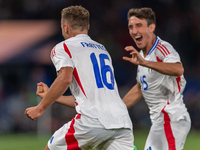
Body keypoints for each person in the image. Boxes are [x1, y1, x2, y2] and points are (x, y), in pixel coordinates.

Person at [25, 5, 135, 150]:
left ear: (65, 27)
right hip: (122, 121)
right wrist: (51, 96)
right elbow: (87, 97)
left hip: (92, 121)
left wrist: (40, 108)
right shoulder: (102, 49)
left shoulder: (63, 47)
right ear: (87, 26)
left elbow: (65, 79)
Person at [122, 7, 191, 150]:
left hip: (171, 118)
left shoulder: (162, 48)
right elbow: (140, 88)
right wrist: (117, 108)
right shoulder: (142, 55)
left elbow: (178, 69)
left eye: (139, 25)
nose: (134, 31)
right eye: (131, 27)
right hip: (160, 122)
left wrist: (145, 63)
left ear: (151, 27)